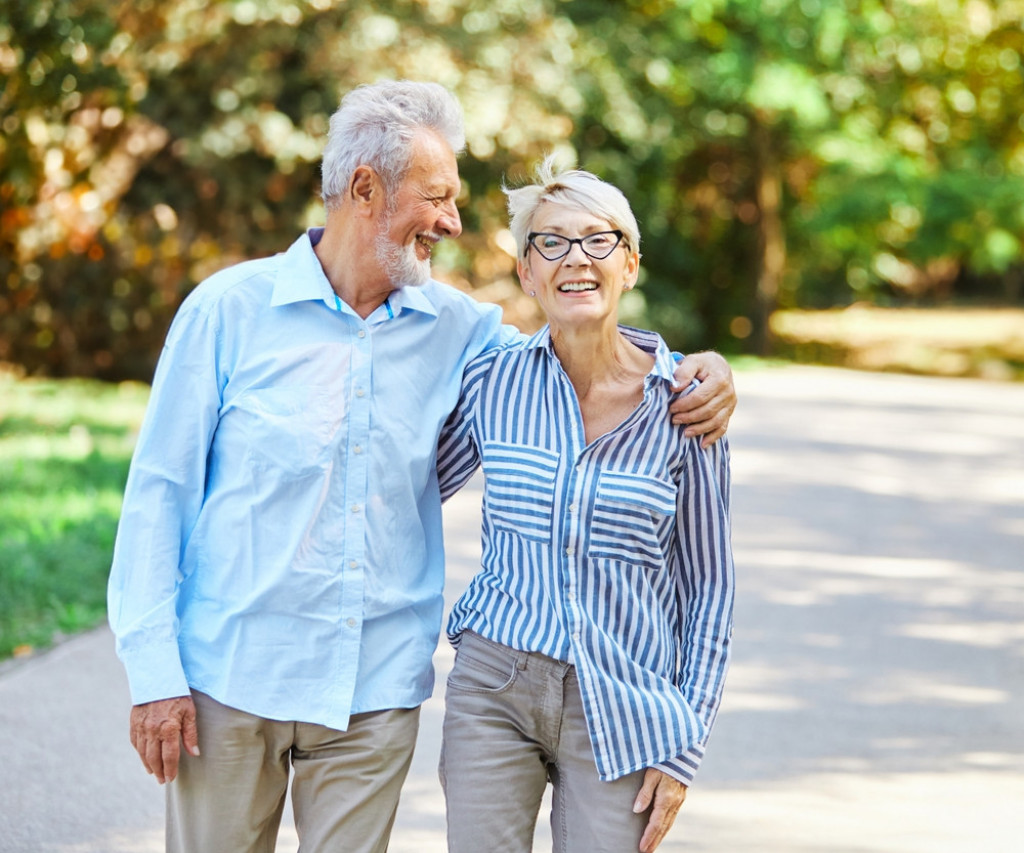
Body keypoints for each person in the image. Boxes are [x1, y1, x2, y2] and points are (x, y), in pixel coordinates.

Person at [108, 81, 737, 853]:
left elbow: (582, 338)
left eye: (458, 200)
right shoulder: (228, 311)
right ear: (365, 188)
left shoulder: (464, 334)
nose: (453, 220)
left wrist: (693, 367)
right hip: (231, 679)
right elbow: (157, 497)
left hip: (370, 692)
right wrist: (154, 671)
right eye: (437, 196)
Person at [435, 159, 735, 853]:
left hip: (625, 702)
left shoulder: (685, 402)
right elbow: (408, 487)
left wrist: (683, 742)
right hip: (495, 683)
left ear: (629, 265)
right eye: (550, 242)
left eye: (598, 240)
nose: (576, 258)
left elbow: (710, 587)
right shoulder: (493, 379)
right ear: (527, 274)